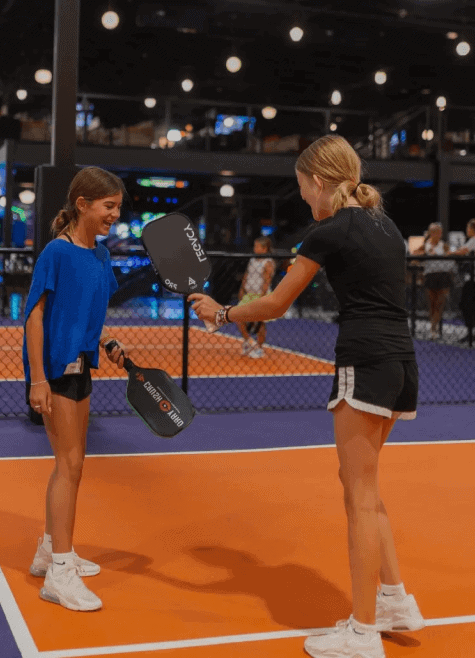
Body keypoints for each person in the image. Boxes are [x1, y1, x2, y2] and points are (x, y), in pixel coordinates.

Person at [190, 135, 425, 658]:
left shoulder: (330, 229)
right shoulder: (386, 226)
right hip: (400, 363)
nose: (302, 198)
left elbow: (275, 304)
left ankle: (363, 633)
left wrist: (221, 314)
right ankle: (393, 600)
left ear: (319, 182)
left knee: (359, 498)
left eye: (302, 189)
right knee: (362, 484)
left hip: (363, 362)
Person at [23, 166, 129, 612]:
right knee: (70, 464)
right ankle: (59, 573)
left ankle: (51, 550)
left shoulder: (100, 257)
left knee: (74, 462)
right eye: (109, 207)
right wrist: (38, 379)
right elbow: (34, 315)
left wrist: (105, 341)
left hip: (83, 364)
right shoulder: (56, 252)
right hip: (57, 371)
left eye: (118, 208)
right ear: (82, 204)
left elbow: (89, 310)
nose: (115, 215)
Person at [411, 222, 453, 340]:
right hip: (430, 276)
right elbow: (414, 254)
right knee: (432, 304)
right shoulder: (425, 245)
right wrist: (424, 254)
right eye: (434, 232)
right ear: (430, 233)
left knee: (439, 304)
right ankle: (433, 329)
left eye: (439, 232)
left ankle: (434, 329)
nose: (437, 234)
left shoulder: (444, 245)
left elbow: (451, 258)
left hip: (443, 276)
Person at [237, 236, 275, 358]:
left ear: (264, 249)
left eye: (257, 246)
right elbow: (246, 275)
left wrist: (262, 298)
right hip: (249, 294)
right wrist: (242, 289)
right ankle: (249, 342)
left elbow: (266, 281)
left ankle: (259, 348)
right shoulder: (253, 260)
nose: (254, 248)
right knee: (238, 317)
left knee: (260, 323)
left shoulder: (267, 262)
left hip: (261, 295)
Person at [451, 218, 475, 341]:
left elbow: (462, 252)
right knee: (466, 305)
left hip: (472, 280)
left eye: (468, 228)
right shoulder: (471, 241)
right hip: (470, 278)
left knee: (466, 305)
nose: (467, 230)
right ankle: (470, 331)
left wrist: (448, 254)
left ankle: (470, 332)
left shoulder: (473, 240)